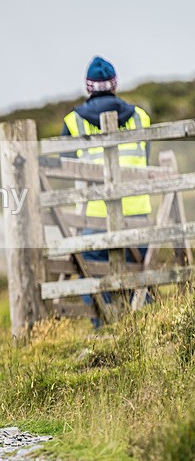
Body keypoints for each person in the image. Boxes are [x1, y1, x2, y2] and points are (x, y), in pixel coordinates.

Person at [61, 55, 152, 327]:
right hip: (137, 213)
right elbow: (145, 159)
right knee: (140, 274)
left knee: (90, 270)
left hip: (94, 217)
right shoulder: (140, 117)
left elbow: (66, 169)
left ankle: (103, 329)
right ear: (115, 84)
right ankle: (146, 328)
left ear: (88, 86)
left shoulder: (73, 121)